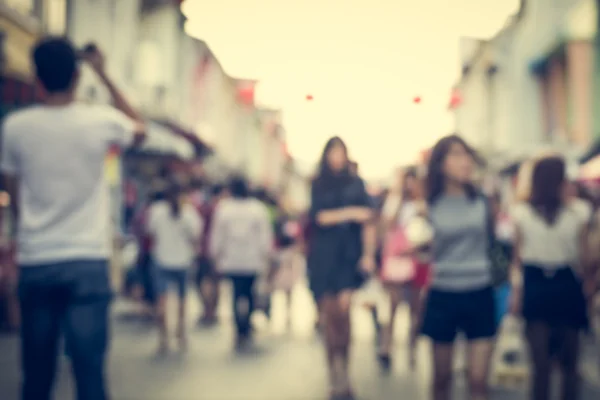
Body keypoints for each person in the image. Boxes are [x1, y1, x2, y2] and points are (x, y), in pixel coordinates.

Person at [0, 38, 145, 400]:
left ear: (37, 78)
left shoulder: (16, 127)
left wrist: (30, 229)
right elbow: (139, 128)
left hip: (38, 260)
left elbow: (14, 193)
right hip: (86, 261)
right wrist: (104, 72)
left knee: (36, 376)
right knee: (89, 373)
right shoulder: (99, 121)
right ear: (77, 76)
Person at [510, 156, 594, 400]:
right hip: (553, 284)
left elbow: (516, 260)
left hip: (548, 285)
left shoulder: (577, 211)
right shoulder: (525, 212)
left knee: (548, 363)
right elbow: (585, 256)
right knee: (560, 363)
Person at [420, 135, 496, 400]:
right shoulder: (429, 205)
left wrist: (508, 289)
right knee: (442, 379)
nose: (464, 161)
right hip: (443, 292)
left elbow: (496, 245)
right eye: (456, 154)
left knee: (478, 381)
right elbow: (417, 248)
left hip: (480, 290)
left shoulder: (483, 200)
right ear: (441, 163)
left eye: (467, 155)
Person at [307, 137, 376, 400]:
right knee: (329, 318)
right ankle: (333, 374)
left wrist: (368, 255)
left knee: (344, 316)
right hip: (324, 258)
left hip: (348, 258)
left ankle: (345, 372)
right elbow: (319, 217)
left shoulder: (356, 184)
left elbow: (368, 220)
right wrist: (350, 213)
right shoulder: (318, 184)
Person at [209, 176, 274, 349]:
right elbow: (265, 237)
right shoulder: (257, 209)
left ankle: (240, 327)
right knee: (249, 293)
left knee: (236, 294)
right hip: (251, 261)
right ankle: (245, 325)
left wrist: (215, 255)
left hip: (232, 261)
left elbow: (217, 236)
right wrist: (266, 255)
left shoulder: (224, 209)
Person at [378, 166, 429, 370]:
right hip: (398, 261)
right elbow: (386, 227)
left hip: (418, 261)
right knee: (393, 306)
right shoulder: (395, 203)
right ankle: (386, 347)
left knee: (416, 310)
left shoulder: (424, 205)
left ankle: (412, 349)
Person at [148, 183, 202, 354]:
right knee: (182, 299)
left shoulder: (156, 211)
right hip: (183, 261)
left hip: (162, 259)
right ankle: (181, 333)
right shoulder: (189, 213)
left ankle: (163, 337)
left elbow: (150, 232)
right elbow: (196, 235)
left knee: (161, 300)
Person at [195, 184, 227, 326]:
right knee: (214, 282)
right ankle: (212, 311)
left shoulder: (204, 209)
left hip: (204, 249)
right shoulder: (221, 210)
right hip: (216, 250)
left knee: (205, 281)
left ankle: (208, 310)